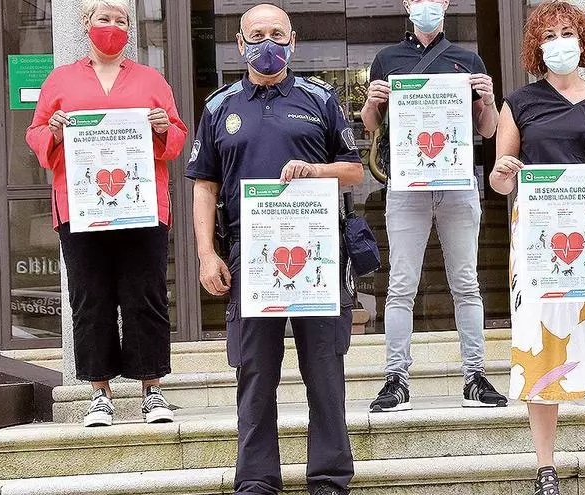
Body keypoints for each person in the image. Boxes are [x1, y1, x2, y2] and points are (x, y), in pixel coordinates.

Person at [185, 5, 362, 495]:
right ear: (241, 44)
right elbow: (204, 185)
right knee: (256, 374)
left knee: (324, 373)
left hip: (317, 256)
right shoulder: (219, 107)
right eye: (257, 34)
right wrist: (206, 253)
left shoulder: (320, 99)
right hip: (251, 259)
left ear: (293, 40)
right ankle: (257, 481)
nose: (268, 42)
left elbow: (354, 170)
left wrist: (315, 170)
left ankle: (329, 479)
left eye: (277, 34)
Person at [490, 2, 585, 494]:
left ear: (583, 40)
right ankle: (545, 468)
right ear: (537, 46)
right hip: (539, 243)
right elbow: (501, 179)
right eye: (549, 35)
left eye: (567, 32)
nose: (559, 42)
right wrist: (501, 173)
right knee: (541, 348)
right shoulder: (519, 102)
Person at [25, 0, 187, 428]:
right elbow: (35, 134)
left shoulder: (152, 80)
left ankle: (152, 390)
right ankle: (99, 394)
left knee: (146, 296)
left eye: (121, 20)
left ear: (129, 29)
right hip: (81, 206)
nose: (112, 26)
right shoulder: (60, 79)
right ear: (86, 24)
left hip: (143, 205)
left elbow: (176, 137)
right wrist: (53, 130)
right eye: (104, 18)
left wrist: (162, 127)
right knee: (89, 298)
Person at [360, 0, 507, 412]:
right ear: (408, 5)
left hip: (456, 182)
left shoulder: (467, 60)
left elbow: (488, 129)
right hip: (407, 184)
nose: (427, 5)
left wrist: (488, 100)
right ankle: (396, 379)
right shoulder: (387, 59)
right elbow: (372, 126)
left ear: (445, 4)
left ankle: (475, 376)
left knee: (466, 283)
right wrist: (371, 103)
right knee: (401, 285)